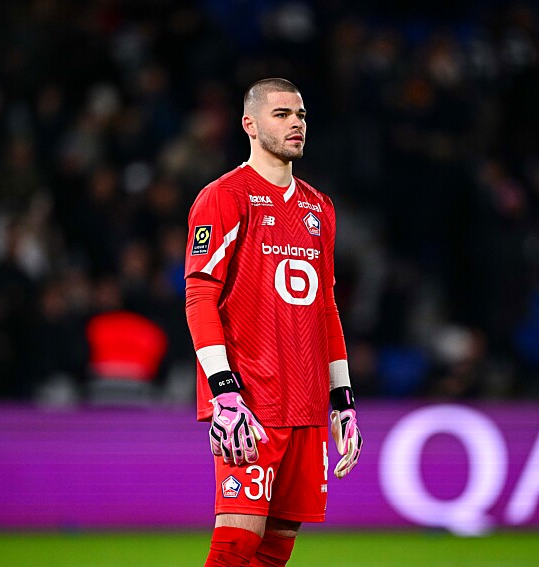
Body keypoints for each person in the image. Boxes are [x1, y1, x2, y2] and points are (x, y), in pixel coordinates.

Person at [184, 78, 363, 567]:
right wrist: (224, 391)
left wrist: (342, 401)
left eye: (301, 115)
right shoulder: (224, 197)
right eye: (282, 114)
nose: (296, 124)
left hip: (305, 404)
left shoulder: (319, 208)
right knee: (236, 544)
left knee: (273, 553)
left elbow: (327, 309)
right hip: (251, 401)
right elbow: (199, 296)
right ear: (250, 124)